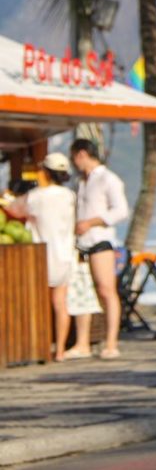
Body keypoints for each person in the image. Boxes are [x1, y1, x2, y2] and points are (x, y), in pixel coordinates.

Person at [8, 152, 76, 361]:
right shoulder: (69, 195)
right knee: (60, 303)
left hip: (41, 256)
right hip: (65, 254)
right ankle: (61, 350)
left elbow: (14, 209)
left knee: (39, 303)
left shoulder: (37, 196)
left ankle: (42, 346)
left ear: (45, 171)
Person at [67, 138, 129, 361]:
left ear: (82, 154)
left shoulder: (108, 179)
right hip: (81, 242)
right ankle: (82, 342)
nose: (73, 162)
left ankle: (111, 342)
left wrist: (92, 222)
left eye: (74, 157)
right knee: (82, 293)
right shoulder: (80, 181)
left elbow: (121, 210)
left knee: (106, 290)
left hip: (100, 241)